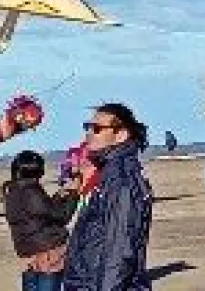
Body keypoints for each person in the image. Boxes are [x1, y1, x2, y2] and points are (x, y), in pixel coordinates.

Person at [63, 103, 153, 291]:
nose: (88, 134)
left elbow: (119, 249)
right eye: (87, 127)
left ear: (121, 134)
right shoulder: (108, 174)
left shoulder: (120, 179)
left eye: (96, 129)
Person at [3, 150, 78, 291]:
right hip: (48, 253)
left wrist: (57, 196)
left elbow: (39, 212)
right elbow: (62, 216)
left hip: (28, 252)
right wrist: (73, 194)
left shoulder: (11, 190)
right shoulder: (31, 191)